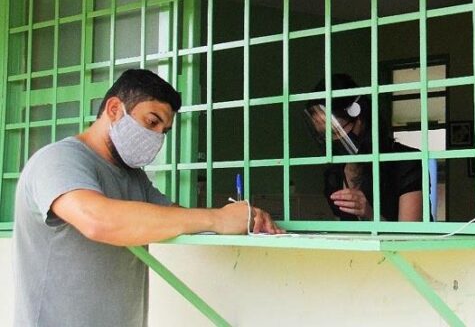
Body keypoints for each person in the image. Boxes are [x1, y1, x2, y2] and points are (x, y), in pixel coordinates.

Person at [13, 69, 282, 327]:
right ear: (114, 109)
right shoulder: (58, 160)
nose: (156, 137)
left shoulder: (134, 178)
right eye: (152, 122)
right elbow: (97, 220)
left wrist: (242, 218)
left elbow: (174, 216)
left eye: (163, 131)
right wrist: (217, 219)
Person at [304, 74, 423, 221]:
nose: (332, 140)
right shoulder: (335, 173)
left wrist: (369, 213)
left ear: (359, 118)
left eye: (335, 132)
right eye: (323, 135)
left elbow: (409, 236)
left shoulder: (405, 161)